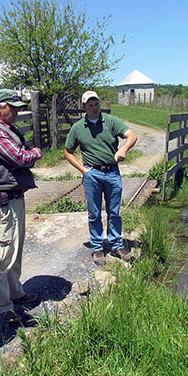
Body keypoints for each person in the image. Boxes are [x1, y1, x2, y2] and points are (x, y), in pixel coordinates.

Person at [0, 89, 42, 323]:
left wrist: (28, 153)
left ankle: (15, 293)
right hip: (0, 201)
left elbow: (19, 155)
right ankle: (2, 307)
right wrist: (35, 151)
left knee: (15, 248)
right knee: (1, 253)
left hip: (12, 197)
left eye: (17, 107)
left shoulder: (6, 129)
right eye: (11, 107)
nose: (15, 112)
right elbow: (19, 157)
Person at [64, 90, 138, 266]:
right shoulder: (78, 128)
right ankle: (97, 247)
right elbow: (68, 152)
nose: (94, 107)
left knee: (114, 211)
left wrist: (123, 149)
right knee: (94, 212)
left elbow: (132, 136)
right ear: (84, 107)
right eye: (90, 105)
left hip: (112, 172)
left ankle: (116, 244)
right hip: (92, 174)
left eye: (96, 103)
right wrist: (83, 170)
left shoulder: (110, 121)